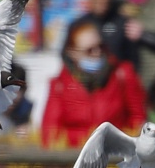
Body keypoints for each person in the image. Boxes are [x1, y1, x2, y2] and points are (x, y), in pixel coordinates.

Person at [41, 15, 147, 148]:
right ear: (73, 53)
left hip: (115, 157)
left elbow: (138, 119)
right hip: (75, 157)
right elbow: (50, 133)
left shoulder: (122, 74)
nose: (97, 53)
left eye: (100, 47)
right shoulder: (60, 85)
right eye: (89, 50)